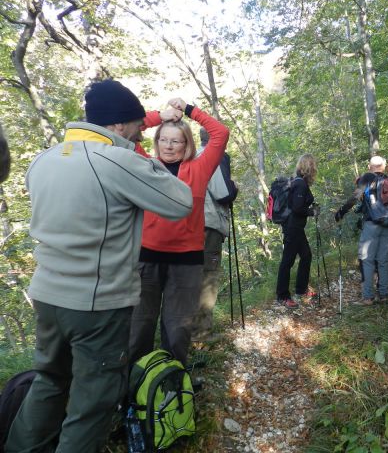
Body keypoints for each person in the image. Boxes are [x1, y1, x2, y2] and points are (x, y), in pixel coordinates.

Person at [5, 80, 194, 453]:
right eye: (139, 125)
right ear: (119, 125)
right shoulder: (118, 161)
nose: (144, 132)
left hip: (45, 295)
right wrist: (143, 161)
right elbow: (181, 201)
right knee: (92, 402)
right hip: (96, 304)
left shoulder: (44, 159)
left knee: (49, 380)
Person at [129, 97, 230, 366]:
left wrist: (188, 110)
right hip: (146, 258)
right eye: (164, 139)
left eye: (176, 141)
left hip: (186, 261)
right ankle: (136, 386)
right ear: (156, 141)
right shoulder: (144, 164)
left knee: (177, 330)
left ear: (187, 144)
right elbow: (128, 136)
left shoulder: (199, 168)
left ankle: (171, 383)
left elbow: (221, 133)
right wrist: (159, 116)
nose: (169, 145)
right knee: (139, 326)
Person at [334, 156, 388, 305]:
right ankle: (384, 295)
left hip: (372, 223)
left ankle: (368, 297)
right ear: (383, 166)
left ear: (370, 166)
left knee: (367, 259)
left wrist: (341, 212)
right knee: (384, 259)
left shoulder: (367, 177)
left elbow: (355, 197)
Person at [192, 127, 238, 342]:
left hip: (193, 223)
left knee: (193, 276)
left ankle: (189, 330)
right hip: (210, 223)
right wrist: (234, 187)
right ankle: (201, 334)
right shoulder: (214, 157)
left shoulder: (192, 155)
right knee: (208, 277)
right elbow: (223, 194)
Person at [275, 154, 318, 309]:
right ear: (310, 167)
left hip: (296, 227)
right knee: (288, 260)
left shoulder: (297, 182)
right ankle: (283, 296)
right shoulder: (300, 184)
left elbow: (297, 205)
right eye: (314, 166)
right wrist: (311, 212)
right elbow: (297, 208)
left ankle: (301, 289)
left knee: (306, 255)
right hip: (293, 227)